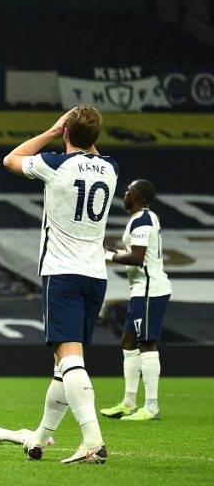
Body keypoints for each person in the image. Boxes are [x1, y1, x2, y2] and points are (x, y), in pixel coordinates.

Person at [2, 104, 118, 464]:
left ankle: (92, 440)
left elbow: (11, 159)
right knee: (64, 364)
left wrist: (53, 131)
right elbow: (92, 150)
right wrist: (81, 132)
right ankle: (39, 438)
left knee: (69, 359)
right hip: (96, 276)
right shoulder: (112, 168)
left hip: (63, 273)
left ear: (67, 133)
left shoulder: (56, 164)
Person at [100, 179, 172, 422]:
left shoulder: (142, 220)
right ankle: (129, 401)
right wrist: (109, 250)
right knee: (128, 341)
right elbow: (135, 254)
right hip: (140, 289)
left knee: (146, 344)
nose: (125, 194)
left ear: (138, 196)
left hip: (150, 290)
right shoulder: (141, 218)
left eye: (129, 191)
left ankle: (151, 407)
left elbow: (138, 258)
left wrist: (108, 255)